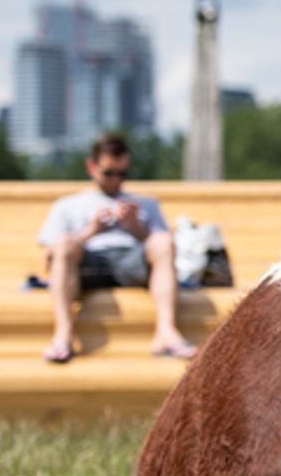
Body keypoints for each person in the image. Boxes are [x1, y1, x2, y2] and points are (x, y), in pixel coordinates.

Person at [36, 133, 198, 363]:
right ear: (91, 166)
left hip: (133, 262)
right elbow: (48, 259)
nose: (116, 180)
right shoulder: (67, 205)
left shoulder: (146, 204)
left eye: (122, 174)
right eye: (109, 173)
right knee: (64, 242)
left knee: (163, 240)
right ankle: (63, 334)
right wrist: (91, 230)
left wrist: (135, 227)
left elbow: (167, 249)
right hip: (87, 265)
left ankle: (166, 333)